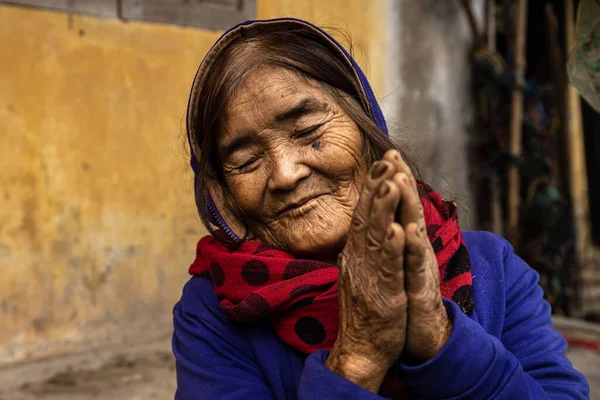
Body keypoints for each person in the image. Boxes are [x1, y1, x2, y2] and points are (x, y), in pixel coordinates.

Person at [172, 18, 589, 399]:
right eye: (246, 162)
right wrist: (358, 355)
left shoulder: (492, 269)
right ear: (221, 195)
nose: (284, 174)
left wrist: (438, 336)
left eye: (307, 130)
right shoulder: (214, 308)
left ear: (366, 129)